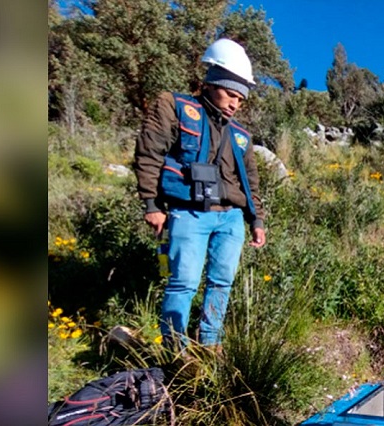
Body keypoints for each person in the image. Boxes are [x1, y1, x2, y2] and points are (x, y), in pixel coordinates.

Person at [134, 38, 266, 350]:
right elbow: (149, 153)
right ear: (209, 84)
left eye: (240, 99)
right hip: (188, 214)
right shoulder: (175, 107)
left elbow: (250, 182)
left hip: (231, 220)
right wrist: (152, 204)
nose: (235, 103)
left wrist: (256, 220)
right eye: (230, 94)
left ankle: (210, 345)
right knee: (183, 283)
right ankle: (175, 351)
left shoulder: (241, 136)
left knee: (221, 283)